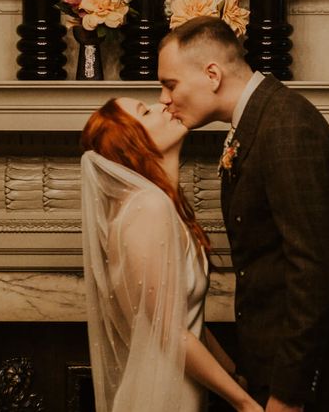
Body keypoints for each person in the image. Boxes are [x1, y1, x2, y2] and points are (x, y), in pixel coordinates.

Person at [157, 16, 329, 412]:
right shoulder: (257, 119)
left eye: (170, 84)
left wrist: (288, 393)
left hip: (312, 367)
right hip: (274, 354)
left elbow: (313, 268)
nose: (163, 99)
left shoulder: (287, 127)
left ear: (212, 74)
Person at [80, 97, 263, 412]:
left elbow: (183, 319)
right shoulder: (147, 208)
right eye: (145, 111)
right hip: (158, 398)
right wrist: (244, 403)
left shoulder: (161, 206)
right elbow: (169, 331)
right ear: (132, 144)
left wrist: (233, 374)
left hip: (178, 392)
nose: (163, 104)